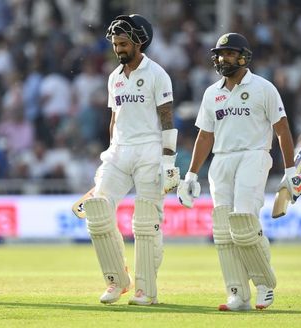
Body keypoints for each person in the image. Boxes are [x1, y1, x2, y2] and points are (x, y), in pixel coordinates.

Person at [177, 33, 301, 311]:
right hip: (221, 161)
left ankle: (263, 284)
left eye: (230, 54)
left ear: (244, 57)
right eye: (220, 54)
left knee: (244, 222)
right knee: (223, 230)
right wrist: (191, 174)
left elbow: (281, 129)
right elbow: (204, 136)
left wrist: (291, 170)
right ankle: (237, 293)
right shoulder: (212, 93)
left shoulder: (264, 88)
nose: (224, 59)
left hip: (254, 155)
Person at [83, 14, 179, 306]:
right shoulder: (115, 77)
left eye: (123, 44)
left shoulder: (157, 74)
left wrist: (168, 160)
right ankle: (117, 281)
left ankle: (146, 289)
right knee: (97, 210)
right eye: (115, 44)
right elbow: (115, 118)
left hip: (150, 150)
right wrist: (110, 152)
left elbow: (167, 119)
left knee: (147, 222)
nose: (118, 50)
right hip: (120, 151)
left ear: (139, 42)